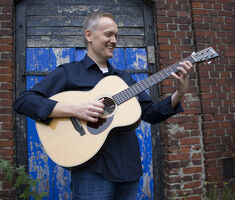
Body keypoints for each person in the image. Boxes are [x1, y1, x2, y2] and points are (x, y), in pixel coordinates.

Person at [14, 12, 192, 200]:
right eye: (108, 34)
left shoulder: (124, 79)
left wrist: (178, 94)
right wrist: (75, 109)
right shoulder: (69, 72)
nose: (114, 40)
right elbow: (24, 101)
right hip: (92, 172)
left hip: (128, 169)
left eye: (116, 35)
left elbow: (150, 113)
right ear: (89, 35)